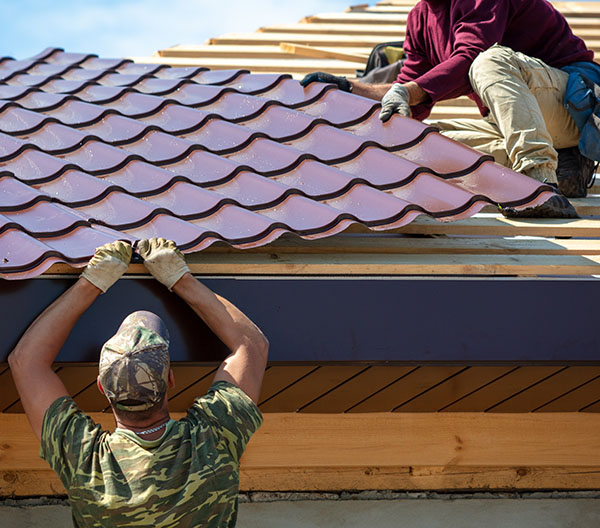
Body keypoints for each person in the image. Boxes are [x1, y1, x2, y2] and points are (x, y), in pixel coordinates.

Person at [8, 238, 269, 527]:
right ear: (170, 380)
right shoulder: (212, 438)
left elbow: (26, 361)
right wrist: (178, 277)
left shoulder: (86, 459)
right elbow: (251, 345)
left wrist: (92, 281)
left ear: (101, 388)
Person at [301, 0, 600, 218]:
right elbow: (409, 88)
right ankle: (565, 167)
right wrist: (349, 89)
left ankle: (540, 183)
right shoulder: (420, 18)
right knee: (421, 142)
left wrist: (409, 91)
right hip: (512, 121)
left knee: (487, 61)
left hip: (573, 106)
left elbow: (470, 57)